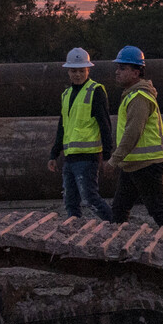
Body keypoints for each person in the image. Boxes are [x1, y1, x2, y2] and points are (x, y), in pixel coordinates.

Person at [105, 46, 163, 231]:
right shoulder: (132, 95)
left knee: (157, 210)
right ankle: (117, 246)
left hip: (146, 163)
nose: (117, 72)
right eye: (118, 68)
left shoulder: (139, 97)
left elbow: (133, 132)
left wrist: (114, 160)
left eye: (122, 68)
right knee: (120, 208)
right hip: (134, 163)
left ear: (136, 72)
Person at [49, 46, 114, 220]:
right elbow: (63, 125)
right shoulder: (66, 94)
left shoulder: (96, 91)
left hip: (88, 157)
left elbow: (105, 124)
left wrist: (108, 155)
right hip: (70, 157)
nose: (77, 74)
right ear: (68, 72)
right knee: (70, 200)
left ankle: (115, 225)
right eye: (74, 71)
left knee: (90, 198)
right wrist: (54, 154)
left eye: (81, 70)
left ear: (88, 70)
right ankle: (74, 230)